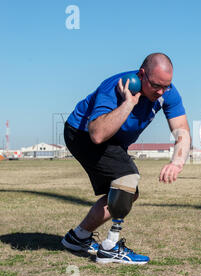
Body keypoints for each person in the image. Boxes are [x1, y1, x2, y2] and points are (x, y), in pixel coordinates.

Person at [61, 53, 191, 264]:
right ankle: (110, 248)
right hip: (81, 133)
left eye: (165, 86)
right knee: (128, 176)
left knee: (127, 193)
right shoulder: (115, 86)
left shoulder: (168, 92)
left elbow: (181, 130)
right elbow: (97, 134)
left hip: (111, 140)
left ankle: (79, 237)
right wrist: (128, 104)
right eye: (156, 85)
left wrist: (177, 162)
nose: (160, 92)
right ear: (142, 75)